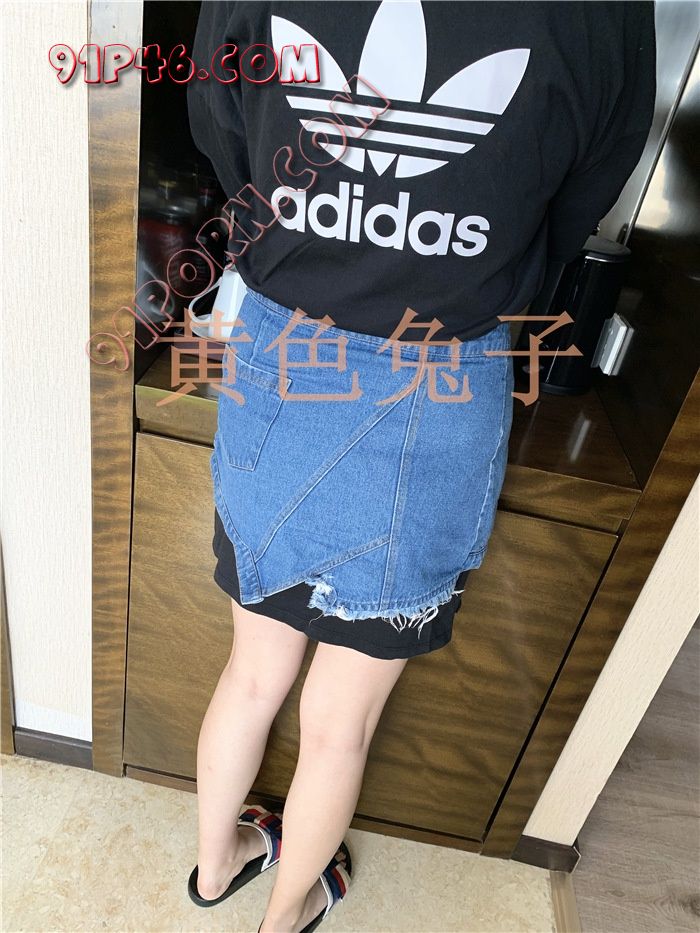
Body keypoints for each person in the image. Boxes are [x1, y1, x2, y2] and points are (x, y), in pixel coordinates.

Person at [185, 2, 656, 931]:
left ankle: (215, 868)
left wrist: (309, 242)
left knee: (251, 675)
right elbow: (590, 184)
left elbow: (219, 115)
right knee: (340, 724)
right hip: (445, 366)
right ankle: (285, 916)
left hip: (285, 341)